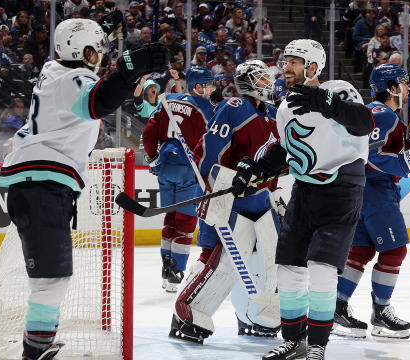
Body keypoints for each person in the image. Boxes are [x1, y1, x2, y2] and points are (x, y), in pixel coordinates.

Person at [0, 16, 168, 360]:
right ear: (83, 50)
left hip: (40, 181)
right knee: (52, 277)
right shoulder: (73, 77)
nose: (100, 53)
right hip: (40, 182)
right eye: (96, 47)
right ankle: (36, 349)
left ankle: (40, 342)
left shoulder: (56, 70)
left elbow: (102, 92)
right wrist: (131, 67)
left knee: (53, 274)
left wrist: (127, 71)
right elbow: (98, 101)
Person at [238, 39, 374, 360]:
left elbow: (364, 122)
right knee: (288, 266)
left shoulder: (337, 89)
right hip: (305, 191)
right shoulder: (285, 107)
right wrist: (256, 170)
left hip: (342, 189)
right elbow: (286, 150)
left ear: (312, 67)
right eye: (284, 62)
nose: (285, 68)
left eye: (293, 62)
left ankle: (317, 345)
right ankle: (295, 339)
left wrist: (324, 101)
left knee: (323, 267)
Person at [169, 60, 282, 344]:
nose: (270, 84)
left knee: (264, 259)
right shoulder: (235, 107)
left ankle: (252, 316)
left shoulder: (272, 117)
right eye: (264, 80)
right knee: (217, 259)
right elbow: (209, 152)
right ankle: (188, 312)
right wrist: (214, 184)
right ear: (250, 83)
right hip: (229, 200)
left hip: (259, 202)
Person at [333, 63, 410, 341]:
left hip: (362, 190)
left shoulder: (384, 114)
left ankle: (336, 308)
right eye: (403, 83)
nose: (407, 88)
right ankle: (381, 313)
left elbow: (389, 149)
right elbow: (370, 154)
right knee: (394, 251)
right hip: (376, 191)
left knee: (361, 251)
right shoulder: (383, 114)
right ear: (391, 88)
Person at [141, 66, 216, 292]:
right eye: (209, 84)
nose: (212, 88)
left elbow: (148, 135)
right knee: (184, 225)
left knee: (170, 219)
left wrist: (154, 160)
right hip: (188, 171)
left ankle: (166, 269)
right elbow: (212, 144)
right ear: (199, 86)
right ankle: (175, 275)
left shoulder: (169, 99)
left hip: (165, 168)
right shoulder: (205, 108)